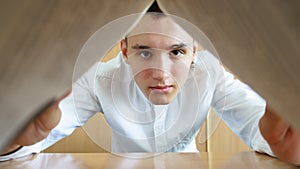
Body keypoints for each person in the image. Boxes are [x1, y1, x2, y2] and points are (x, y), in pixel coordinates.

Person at [1, 8, 299, 166]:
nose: (161, 73)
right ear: (125, 51)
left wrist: (288, 145)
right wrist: (13, 142)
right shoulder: (99, 79)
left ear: (195, 51)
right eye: (144, 52)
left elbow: (264, 129)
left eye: (177, 52)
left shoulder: (210, 74)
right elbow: (31, 137)